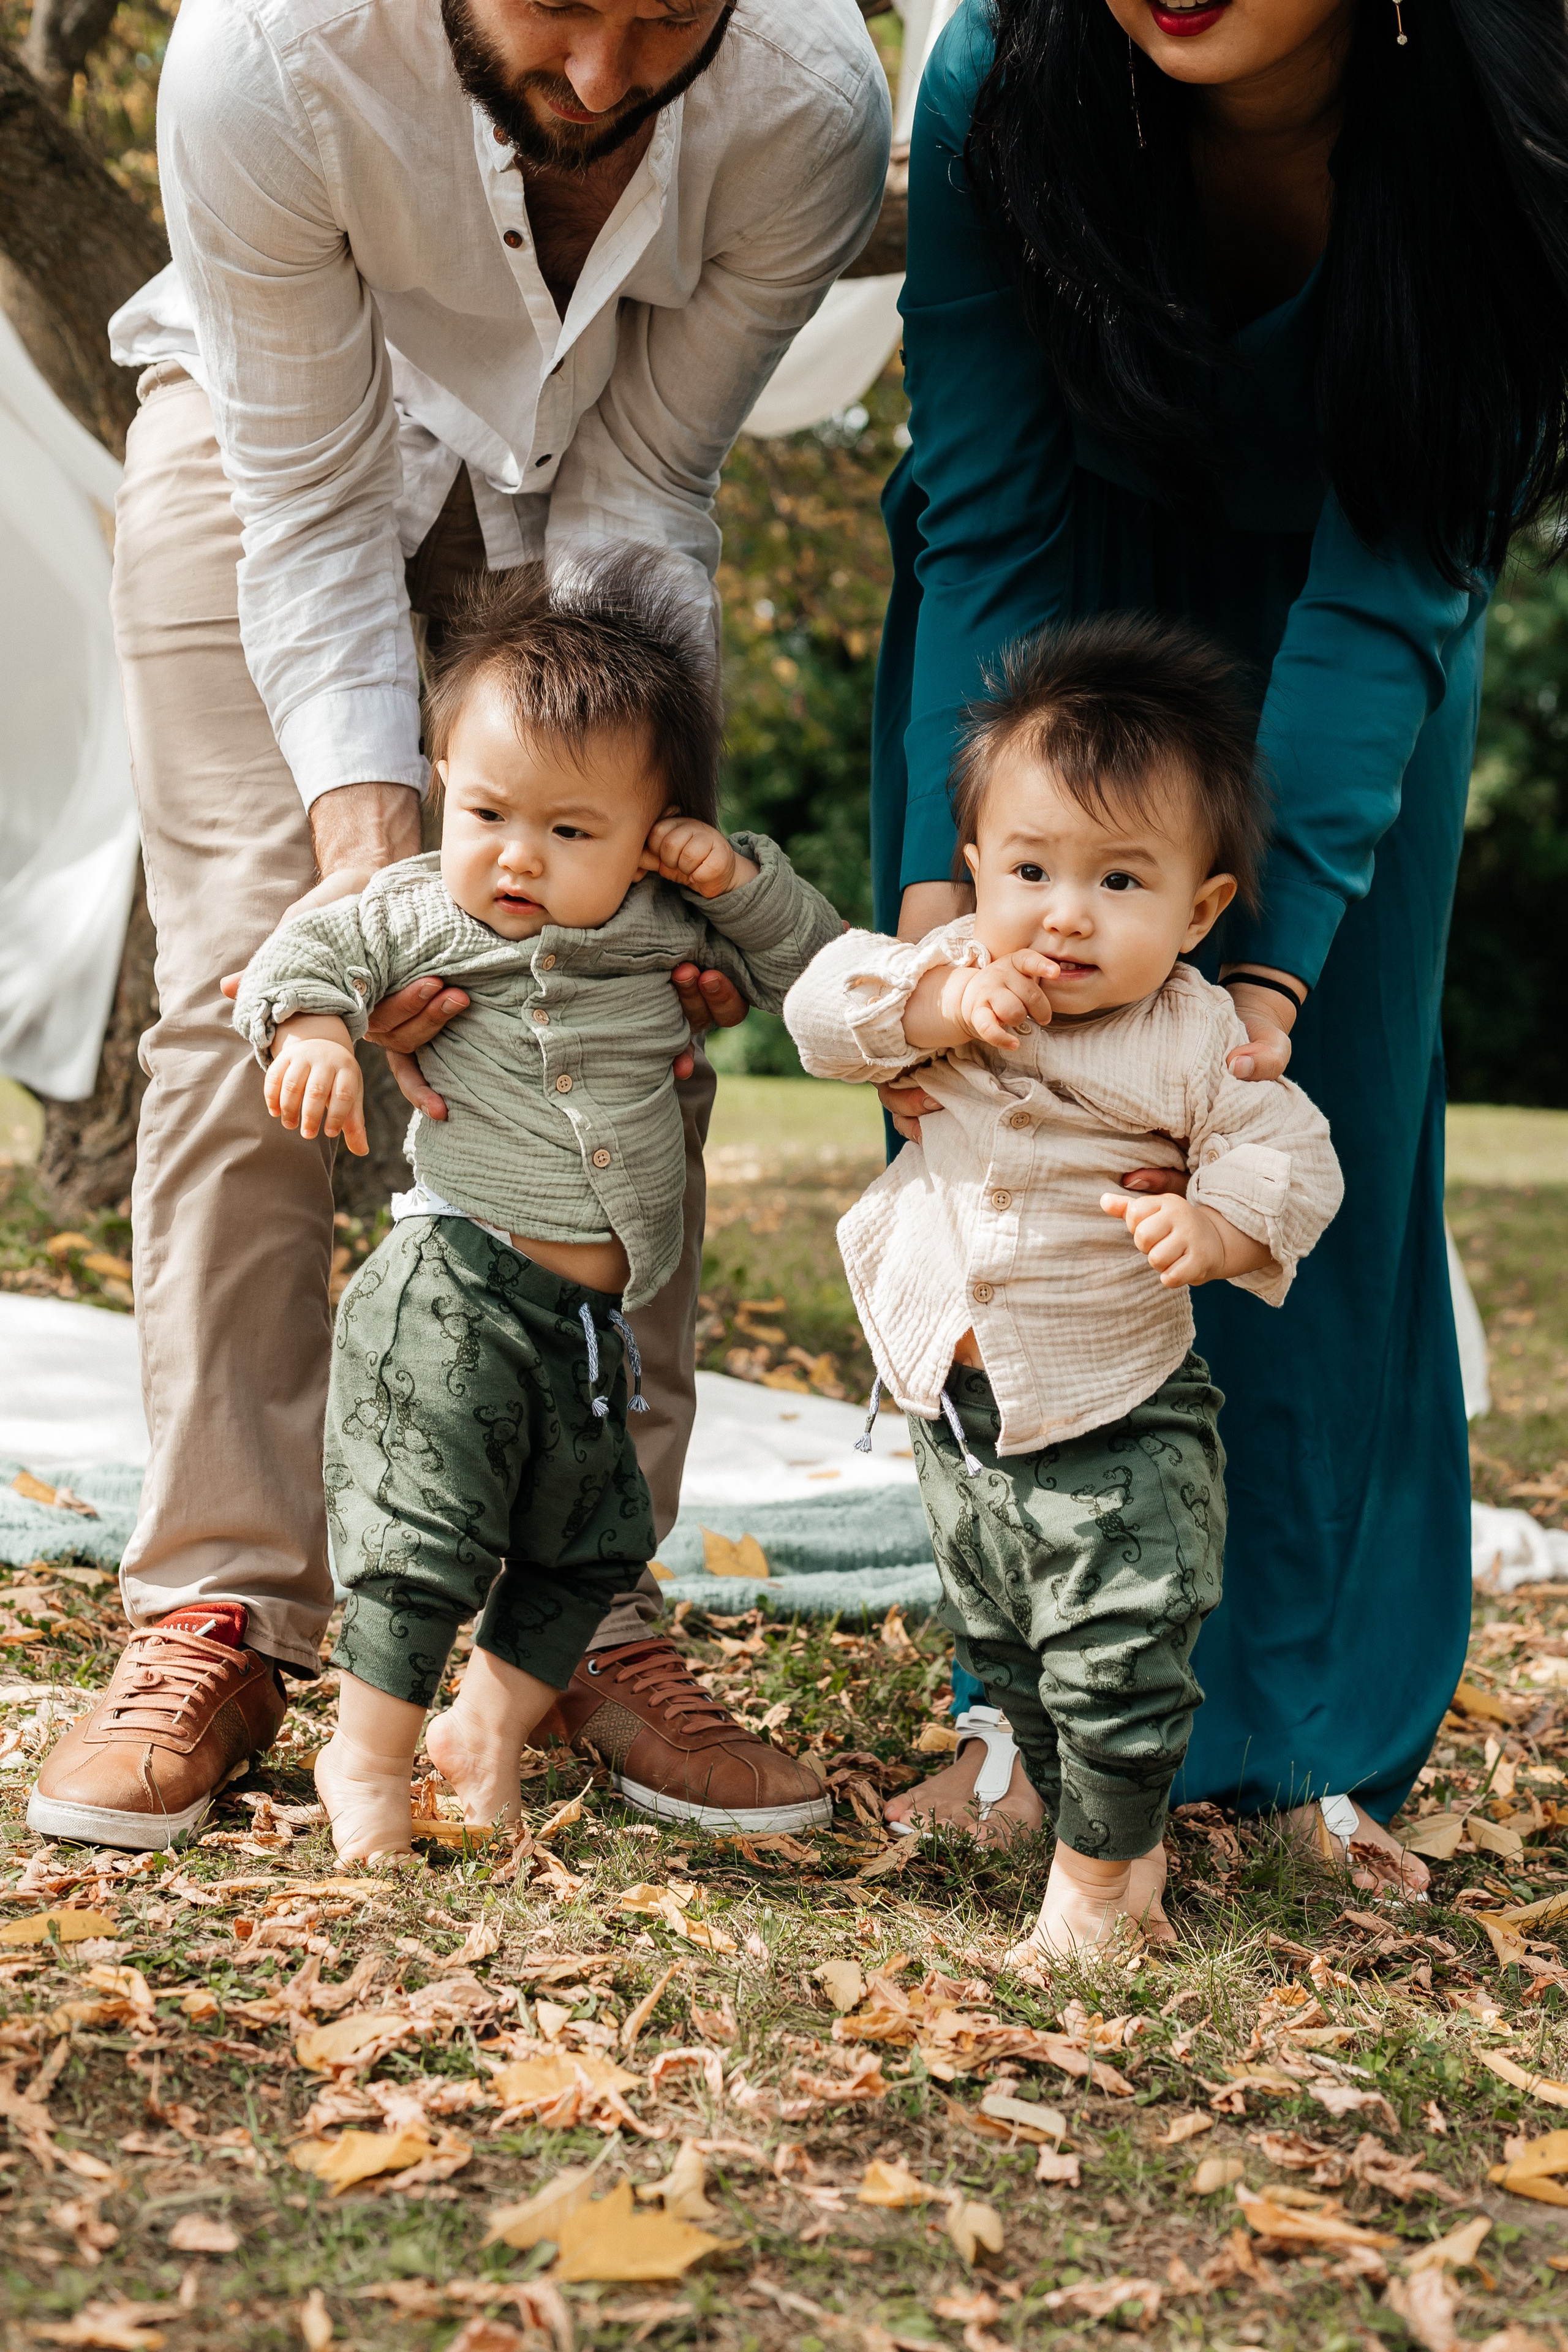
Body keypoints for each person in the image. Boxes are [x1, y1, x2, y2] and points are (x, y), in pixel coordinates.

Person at [28, 0, 891, 1853]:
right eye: (560, 13)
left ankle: (581, 1612)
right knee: (250, 982)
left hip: (589, 519)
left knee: (628, 982)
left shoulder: (813, 102)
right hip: (279, 467)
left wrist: (596, 864)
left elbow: (643, 490)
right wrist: (375, 870)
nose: (599, 79)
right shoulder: (268, 59)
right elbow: (317, 511)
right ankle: (225, 1605)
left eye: (663, 22)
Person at [870, 0, 1568, 1894]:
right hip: (1039, 631)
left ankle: (1302, 1743)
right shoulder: (1003, 71)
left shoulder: (1521, 108)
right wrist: (948, 910)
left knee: (1288, 1166)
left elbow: (1407, 556)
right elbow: (991, 507)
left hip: (1347, 626)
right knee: (1012, 1155)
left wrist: (1265, 971)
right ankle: (1030, 1718)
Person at [219, 552, 838, 1860]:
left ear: (651, 832)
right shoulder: (417, 912)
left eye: (571, 833)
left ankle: (484, 1732)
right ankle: (368, 1759)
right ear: (443, 783)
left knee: (590, 1542)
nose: (517, 859)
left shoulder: (668, 920)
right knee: (423, 1537)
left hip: (588, 1323)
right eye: (490, 814)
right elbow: (294, 958)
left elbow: (817, 972)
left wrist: (730, 880)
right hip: (450, 1284)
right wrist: (316, 1032)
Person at [787, 616, 1341, 1950]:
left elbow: (1294, 1157)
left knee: (1116, 1654)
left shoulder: (1197, 1038)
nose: (1065, 913)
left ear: (1199, 910)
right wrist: (929, 1011)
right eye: (1029, 868)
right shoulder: (949, 978)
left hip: (1116, 1418)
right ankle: (1078, 1824)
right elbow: (817, 1008)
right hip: (959, 1420)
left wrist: (1214, 1229)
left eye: (1119, 881)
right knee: (1015, 1651)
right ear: (974, 871)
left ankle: (1103, 1881)